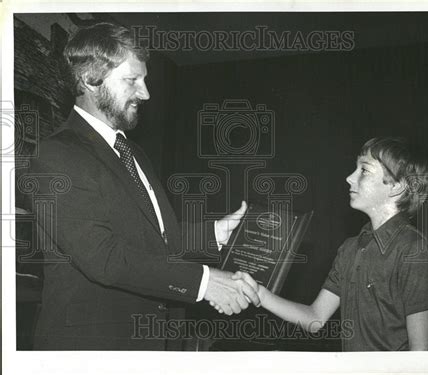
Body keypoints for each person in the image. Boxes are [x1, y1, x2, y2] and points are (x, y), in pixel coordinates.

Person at [26, 22, 259, 350]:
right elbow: (103, 257)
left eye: (145, 79)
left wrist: (213, 234)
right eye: (132, 80)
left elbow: (150, 239)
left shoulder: (134, 153)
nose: (146, 93)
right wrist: (204, 282)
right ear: (91, 80)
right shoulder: (55, 155)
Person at [230, 137, 428, 351]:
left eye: (364, 171)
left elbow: (421, 353)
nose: (349, 178)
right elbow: (315, 318)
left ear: (397, 186)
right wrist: (259, 293)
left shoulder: (413, 250)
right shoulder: (350, 248)